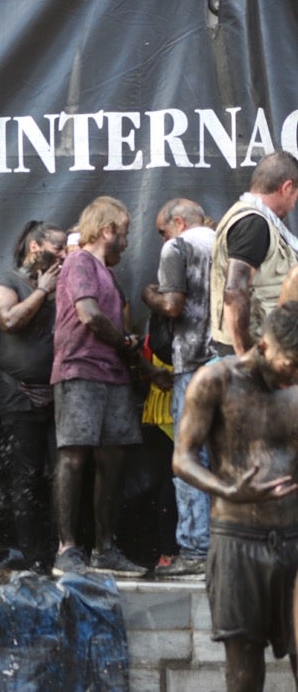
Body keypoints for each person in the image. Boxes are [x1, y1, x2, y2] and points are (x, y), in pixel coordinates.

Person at [174, 301, 298, 692]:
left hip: (294, 538)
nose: (295, 374)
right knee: (244, 674)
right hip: (237, 541)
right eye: (290, 364)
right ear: (263, 347)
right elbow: (182, 458)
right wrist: (228, 489)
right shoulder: (216, 381)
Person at [50, 195, 147, 578]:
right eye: (123, 232)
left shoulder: (107, 271)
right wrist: (123, 342)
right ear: (107, 230)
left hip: (113, 376)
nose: (126, 241)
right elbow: (89, 315)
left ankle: (104, 549)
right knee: (73, 456)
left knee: (113, 460)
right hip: (80, 370)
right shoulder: (79, 262)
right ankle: (67, 548)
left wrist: (135, 357)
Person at [141, 198, 215, 578]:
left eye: (161, 231)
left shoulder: (179, 246)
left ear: (179, 222)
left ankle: (194, 549)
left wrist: (148, 295)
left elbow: (172, 306)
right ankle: (222, 547)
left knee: (187, 457)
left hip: (191, 363)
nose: (161, 239)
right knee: (220, 458)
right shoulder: (224, 241)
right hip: (225, 364)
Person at [0, 220, 66, 572]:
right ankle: (33, 556)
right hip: (18, 397)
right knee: (26, 477)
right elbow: (8, 319)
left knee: (63, 472)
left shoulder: (57, 281)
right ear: (35, 247)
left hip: (59, 393)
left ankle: (65, 550)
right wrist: (41, 292)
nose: (62, 254)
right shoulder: (7, 281)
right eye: (57, 248)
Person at [210, 151, 298, 357]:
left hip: (262, 347)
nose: (294, 204)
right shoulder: (254, 223)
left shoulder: (255, 220)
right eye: (295, 195)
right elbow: (234, 291)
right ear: (286, 188)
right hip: (255, 351)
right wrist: (246, 356)